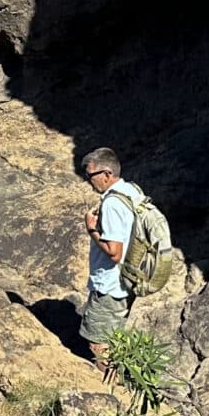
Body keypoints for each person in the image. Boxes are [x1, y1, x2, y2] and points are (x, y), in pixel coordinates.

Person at [78, 147, 146, 361]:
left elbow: (114, 252)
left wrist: (92, 230)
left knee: (99, 344)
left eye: (91, 176)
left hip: (110, 284)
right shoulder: (132, 191)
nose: (89, 181)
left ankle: (111, 388)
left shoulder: (112, 203)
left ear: (107, 174)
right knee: (115, 337)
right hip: (129, 277)